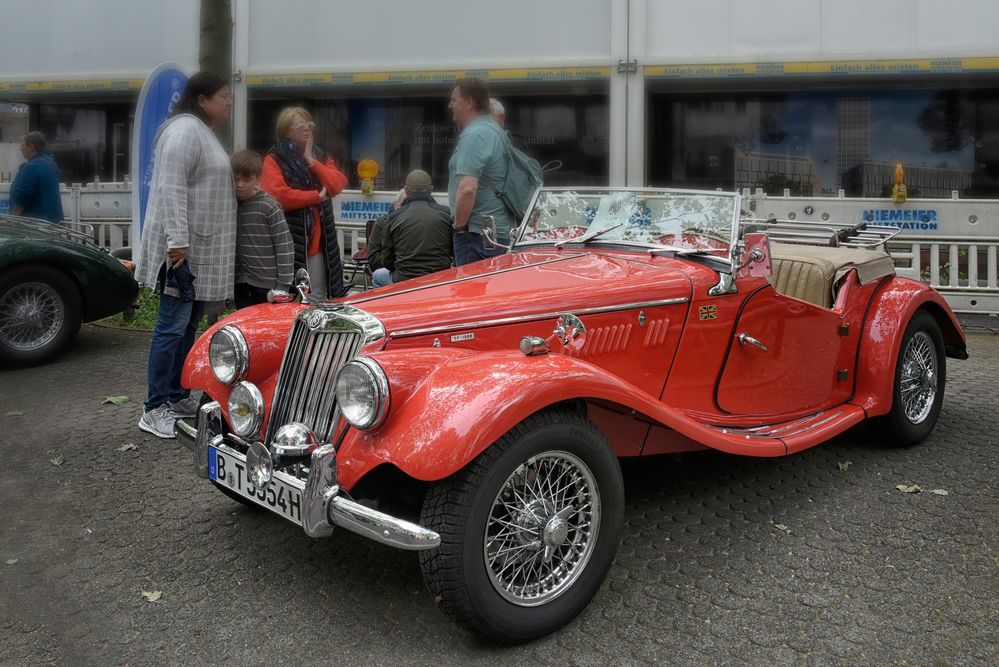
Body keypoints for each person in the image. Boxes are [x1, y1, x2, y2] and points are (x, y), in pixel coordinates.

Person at [134, 72, 236, 439]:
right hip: (181, 252)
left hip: (198, 249)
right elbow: (170, 186)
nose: (229, 102)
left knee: (187, 326)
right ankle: (154, 406)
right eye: (223, 95)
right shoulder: (184, 130)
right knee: (171, 326)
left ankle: (176, 395)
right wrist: (177, 240)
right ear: (201, 98)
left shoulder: (199, 131)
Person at [260, 107, 349, 300]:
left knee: (319, 296)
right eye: (300, 125)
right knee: (292, 298)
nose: (306, 129)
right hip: (288, 239)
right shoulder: (274, 158)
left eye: (309, 124)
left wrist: (311, 161)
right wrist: (316, 197)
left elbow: (337, 184)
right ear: (285, 131)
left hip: (319, 240)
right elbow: (279, 196)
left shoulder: (320, 155)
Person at [447, 78, 514, 266]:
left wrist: (459, 227)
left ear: (469, 102)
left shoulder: (475, 133)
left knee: (469, 292)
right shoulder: (493, 129)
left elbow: (467, 188)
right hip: (494, 233)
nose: (450, 105)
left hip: (477, 234)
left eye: (454, 100)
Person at [231, 150, 294, 309]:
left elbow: (284, 246)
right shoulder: (230, 204)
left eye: (246, 180)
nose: (240, 184)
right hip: (240, 283)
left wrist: (283, 286)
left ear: (258, 179)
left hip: (268, 287)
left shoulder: (268, 206)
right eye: (236, 179)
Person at [372, 170, 453, 288]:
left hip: (403, 280)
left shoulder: (393, 217)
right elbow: (453, 251)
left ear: (406, 190)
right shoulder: (447, 214)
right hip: (439, 279)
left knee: (377, 276)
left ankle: (386, 305)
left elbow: (387, 261)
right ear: (431, 189)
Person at [10, 131, 64, 224]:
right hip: (52, 222)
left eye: (23, 145)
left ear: (31, 147)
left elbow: (23, 194)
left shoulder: (32, 166)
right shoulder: (51, 164)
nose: (20, 149)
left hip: (35, 226)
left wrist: (13, 217)